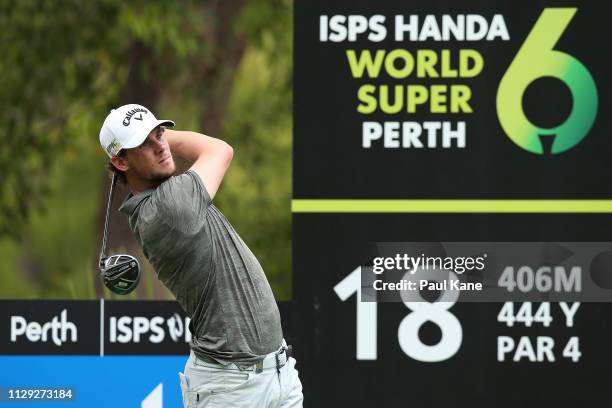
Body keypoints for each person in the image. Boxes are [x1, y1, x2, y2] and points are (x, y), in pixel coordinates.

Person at [99, 103, 303, 407]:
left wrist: (153, 135)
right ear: (121, 162)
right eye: (144, 142)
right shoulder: (168, 208)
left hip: (277, 374)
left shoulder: (167, 197)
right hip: (230, 388)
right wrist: (167, 136)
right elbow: (220, 150)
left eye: (160, 133)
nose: (160, 146)